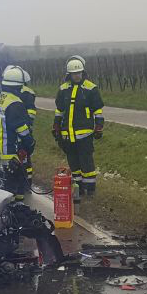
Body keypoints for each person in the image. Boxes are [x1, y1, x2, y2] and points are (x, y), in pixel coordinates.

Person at [52, 56, 104, 200]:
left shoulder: (91, 88)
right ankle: (78, 188)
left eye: (79, 73)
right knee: (73, 161)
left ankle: (90, 189)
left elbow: (97, 110)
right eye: (74, 73)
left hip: (85, 133)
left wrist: (99, 126)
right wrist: (56, 125)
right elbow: (59, 110)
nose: (77, 76)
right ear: (69, 74)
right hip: (67, 134)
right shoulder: (63, 89)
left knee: (86, 161)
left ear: (83, 72)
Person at [0, 66, 35, 199]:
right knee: (15, 185)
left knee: (6, 183)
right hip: (11, 150)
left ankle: (12, 205)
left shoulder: (0, 98)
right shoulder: (15, 103)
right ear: (17, 87)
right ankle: (16, 207)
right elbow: (21, 128)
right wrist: (30, 142)